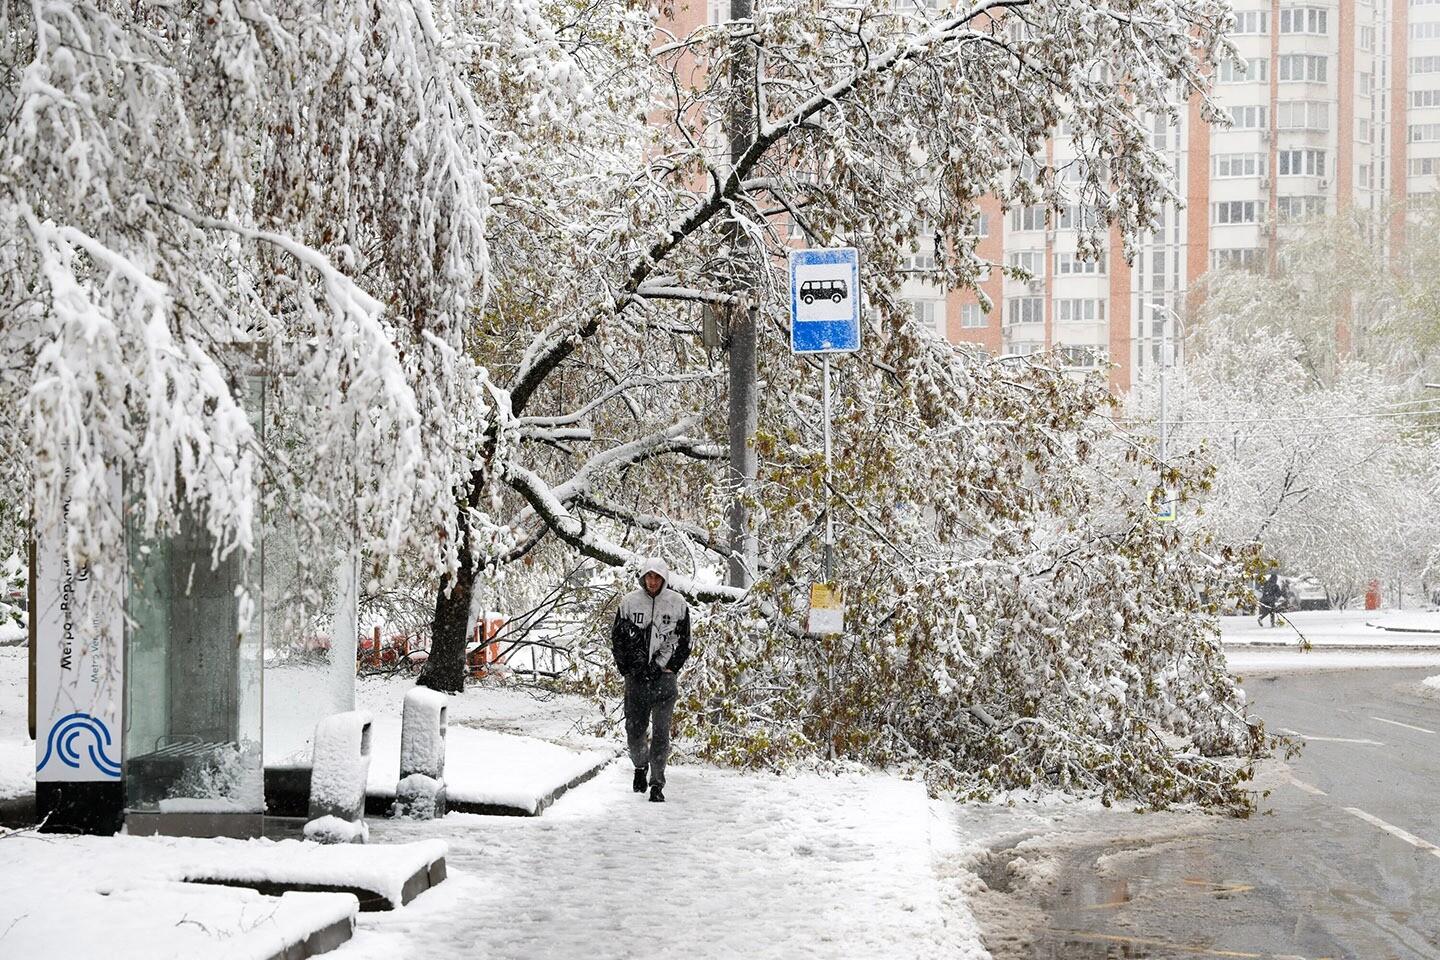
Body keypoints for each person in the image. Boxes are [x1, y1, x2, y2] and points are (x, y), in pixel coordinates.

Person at [610, 558, 692, 802]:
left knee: (661, 733)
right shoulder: (629, 603)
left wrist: (671, 667)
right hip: (636, 680)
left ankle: (657, 783)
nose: (653, 581)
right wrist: (627, 668)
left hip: (664, 681)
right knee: (634, 730)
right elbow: (618, 638)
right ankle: (640, 765)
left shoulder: (677, 604)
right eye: (649, 576)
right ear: (643, 577)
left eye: (657, 577)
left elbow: (686, 640)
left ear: (664, 578)